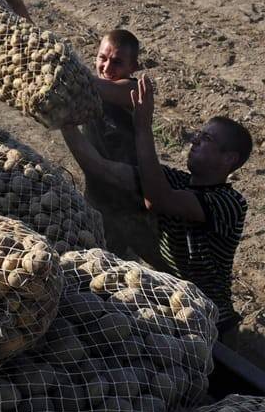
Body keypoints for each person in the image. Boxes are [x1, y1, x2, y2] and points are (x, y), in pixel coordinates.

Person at [62, 76, 252, 343]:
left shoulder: (229, 203)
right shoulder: (175, 181)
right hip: (172, 306)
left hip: (209, 319)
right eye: (198, 134)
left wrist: (143, 128)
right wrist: (64, 122)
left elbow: (158, 199)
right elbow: (102, 169)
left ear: (228, 158)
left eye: (206, 138)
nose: (194, 141)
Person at [60, 29, 160, 266]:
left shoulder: (133, 91)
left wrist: (60, 69)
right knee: (94, 251)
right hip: (97, 190)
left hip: (127, 194)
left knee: (119, 261)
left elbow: (93, 86)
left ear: (133, 67)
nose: (106, 68)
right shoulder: (90, 89)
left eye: (117, 62)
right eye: (102, 58)